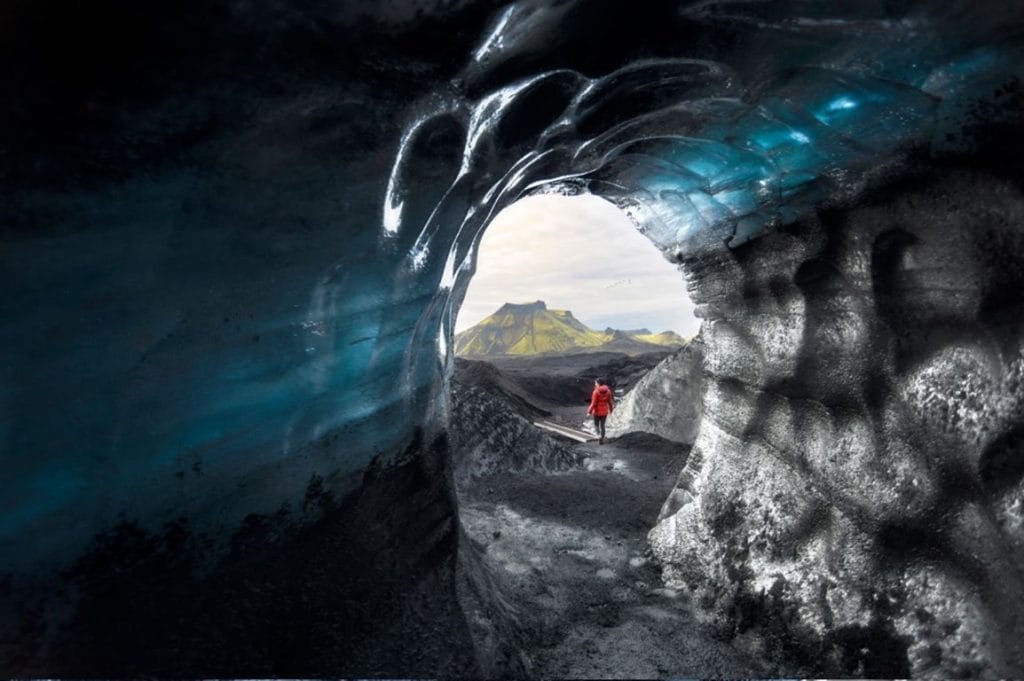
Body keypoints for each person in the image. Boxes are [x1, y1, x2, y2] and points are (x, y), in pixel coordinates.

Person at [587, 378, 614, 445]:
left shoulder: (596, 392)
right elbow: (610, 402)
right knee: (603, 425)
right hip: (604, 412)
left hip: (596, 412)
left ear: (598, 384)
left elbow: (593, 403)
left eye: (595, 383)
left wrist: (589, 412)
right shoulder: (608, 391)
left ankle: (598, 436)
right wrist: (611, 410)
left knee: (596, 425)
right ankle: (601, 439)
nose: (595, 384)